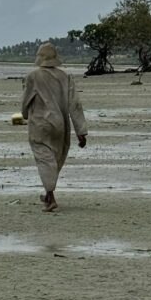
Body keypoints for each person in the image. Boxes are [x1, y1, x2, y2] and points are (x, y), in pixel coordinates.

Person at [21, 42, 87, 212]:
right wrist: (81, 131)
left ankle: (50, 197)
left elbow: (26, 101)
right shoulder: (66, 77)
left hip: (40, 124)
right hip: (60, 124)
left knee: (44, 158)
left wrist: (25, 115)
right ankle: (48, 193)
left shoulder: (33, 77)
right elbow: (75, 104)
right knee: (56, 157)